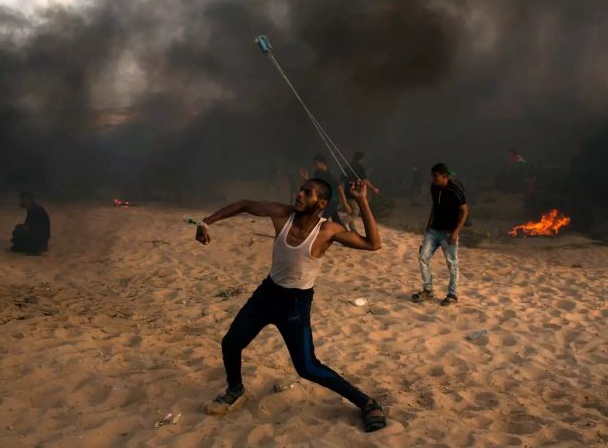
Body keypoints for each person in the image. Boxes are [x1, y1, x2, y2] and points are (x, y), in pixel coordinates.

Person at [195, 178, 386, 432]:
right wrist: (206, 221)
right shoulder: (282, 214)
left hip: (295, 305)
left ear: (321, 203)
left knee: (307, 367)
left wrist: (362, 200)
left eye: (307, 193)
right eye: (300, 190)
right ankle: (235, 389)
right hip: (267, 294)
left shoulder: (327, 231)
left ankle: (367, 403)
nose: (299, 195)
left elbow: (374, 244)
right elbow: (244, 204)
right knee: (231, 343)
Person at [412, 163, 468, 306]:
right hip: (433, 231)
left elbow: (465, 211)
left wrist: (456, 232)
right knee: (423, 257)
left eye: (435, 176)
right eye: (432, 175)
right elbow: (434, 206)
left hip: (449, 232)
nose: (433, 178)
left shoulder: (455, 190)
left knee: (452, 263)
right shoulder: (434, 187)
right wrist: (428, 225)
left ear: (444, 176)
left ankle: (452, 294)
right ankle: (427, 290)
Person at [299, 154, 345, 227]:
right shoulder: (317, 172)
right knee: (336, 220)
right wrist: (306, 179)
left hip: (333, 200)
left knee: (323, 219)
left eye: (316, 163)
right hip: (325, 200)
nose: (314, 165)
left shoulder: (330, 174)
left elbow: (339, 188)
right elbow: (314, 184)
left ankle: (317, 235)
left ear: (322, 163)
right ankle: (346, 233)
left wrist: (345, 203)